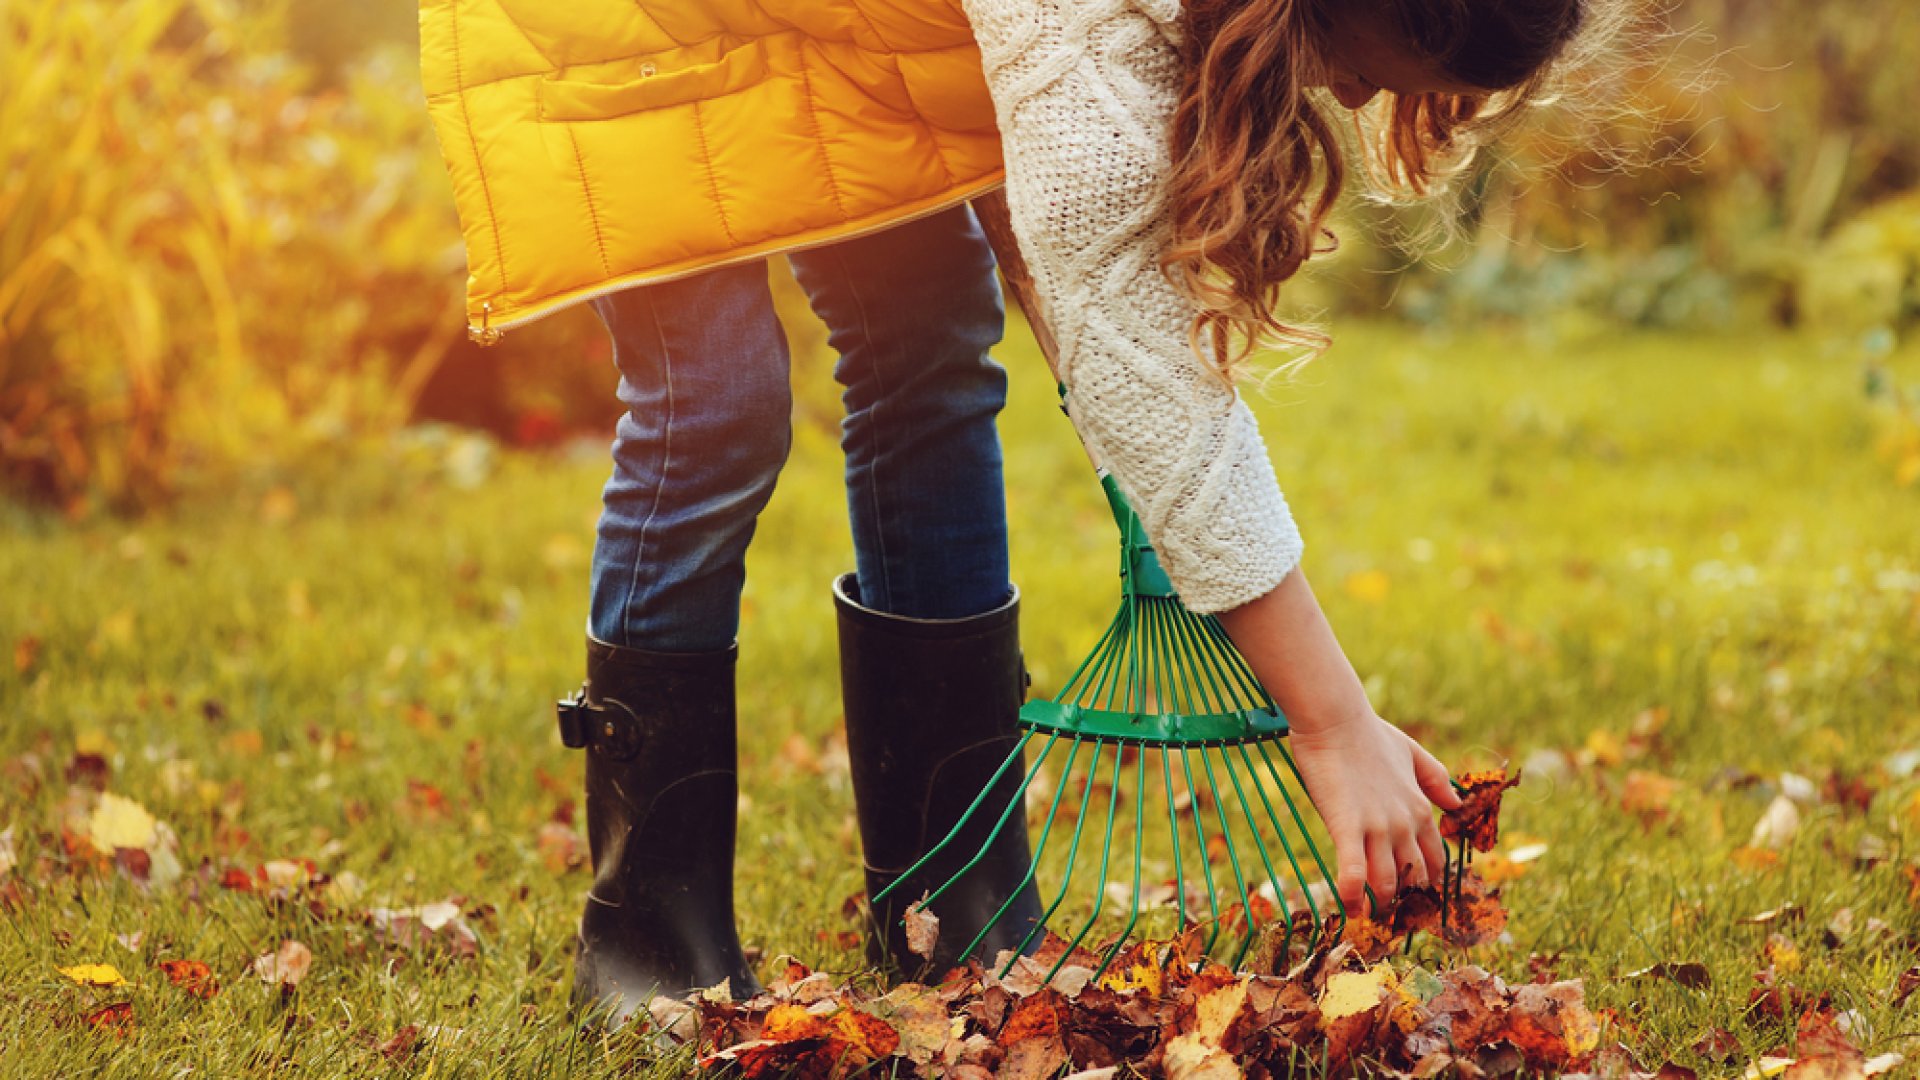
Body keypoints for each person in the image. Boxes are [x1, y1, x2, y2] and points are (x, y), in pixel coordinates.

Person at [419, 0, 1596, 1026]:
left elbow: (1092, 272)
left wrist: (1099, 334)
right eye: (1385, 71)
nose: (1356, 96)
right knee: (716, 401)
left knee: (929, 348)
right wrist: (1332, 724)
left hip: (848, 33)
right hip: (623, 30)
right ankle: (649, 938)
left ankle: (954, 897)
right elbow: (1126, 319)